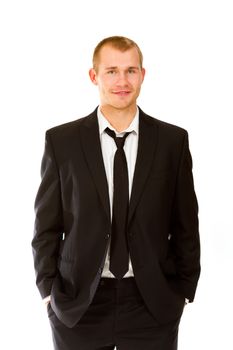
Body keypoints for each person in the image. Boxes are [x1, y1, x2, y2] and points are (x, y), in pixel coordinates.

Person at [32, 36, 200, 350]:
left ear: (142, 74)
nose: (122, 81)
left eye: (130, 71)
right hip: (79, 302)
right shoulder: (62, 141)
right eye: (111, 71)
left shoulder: (172, 142)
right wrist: (48, 292)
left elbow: (186, 224)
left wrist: (183, 290)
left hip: (151, 301)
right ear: (94, 76)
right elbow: (46, 226)